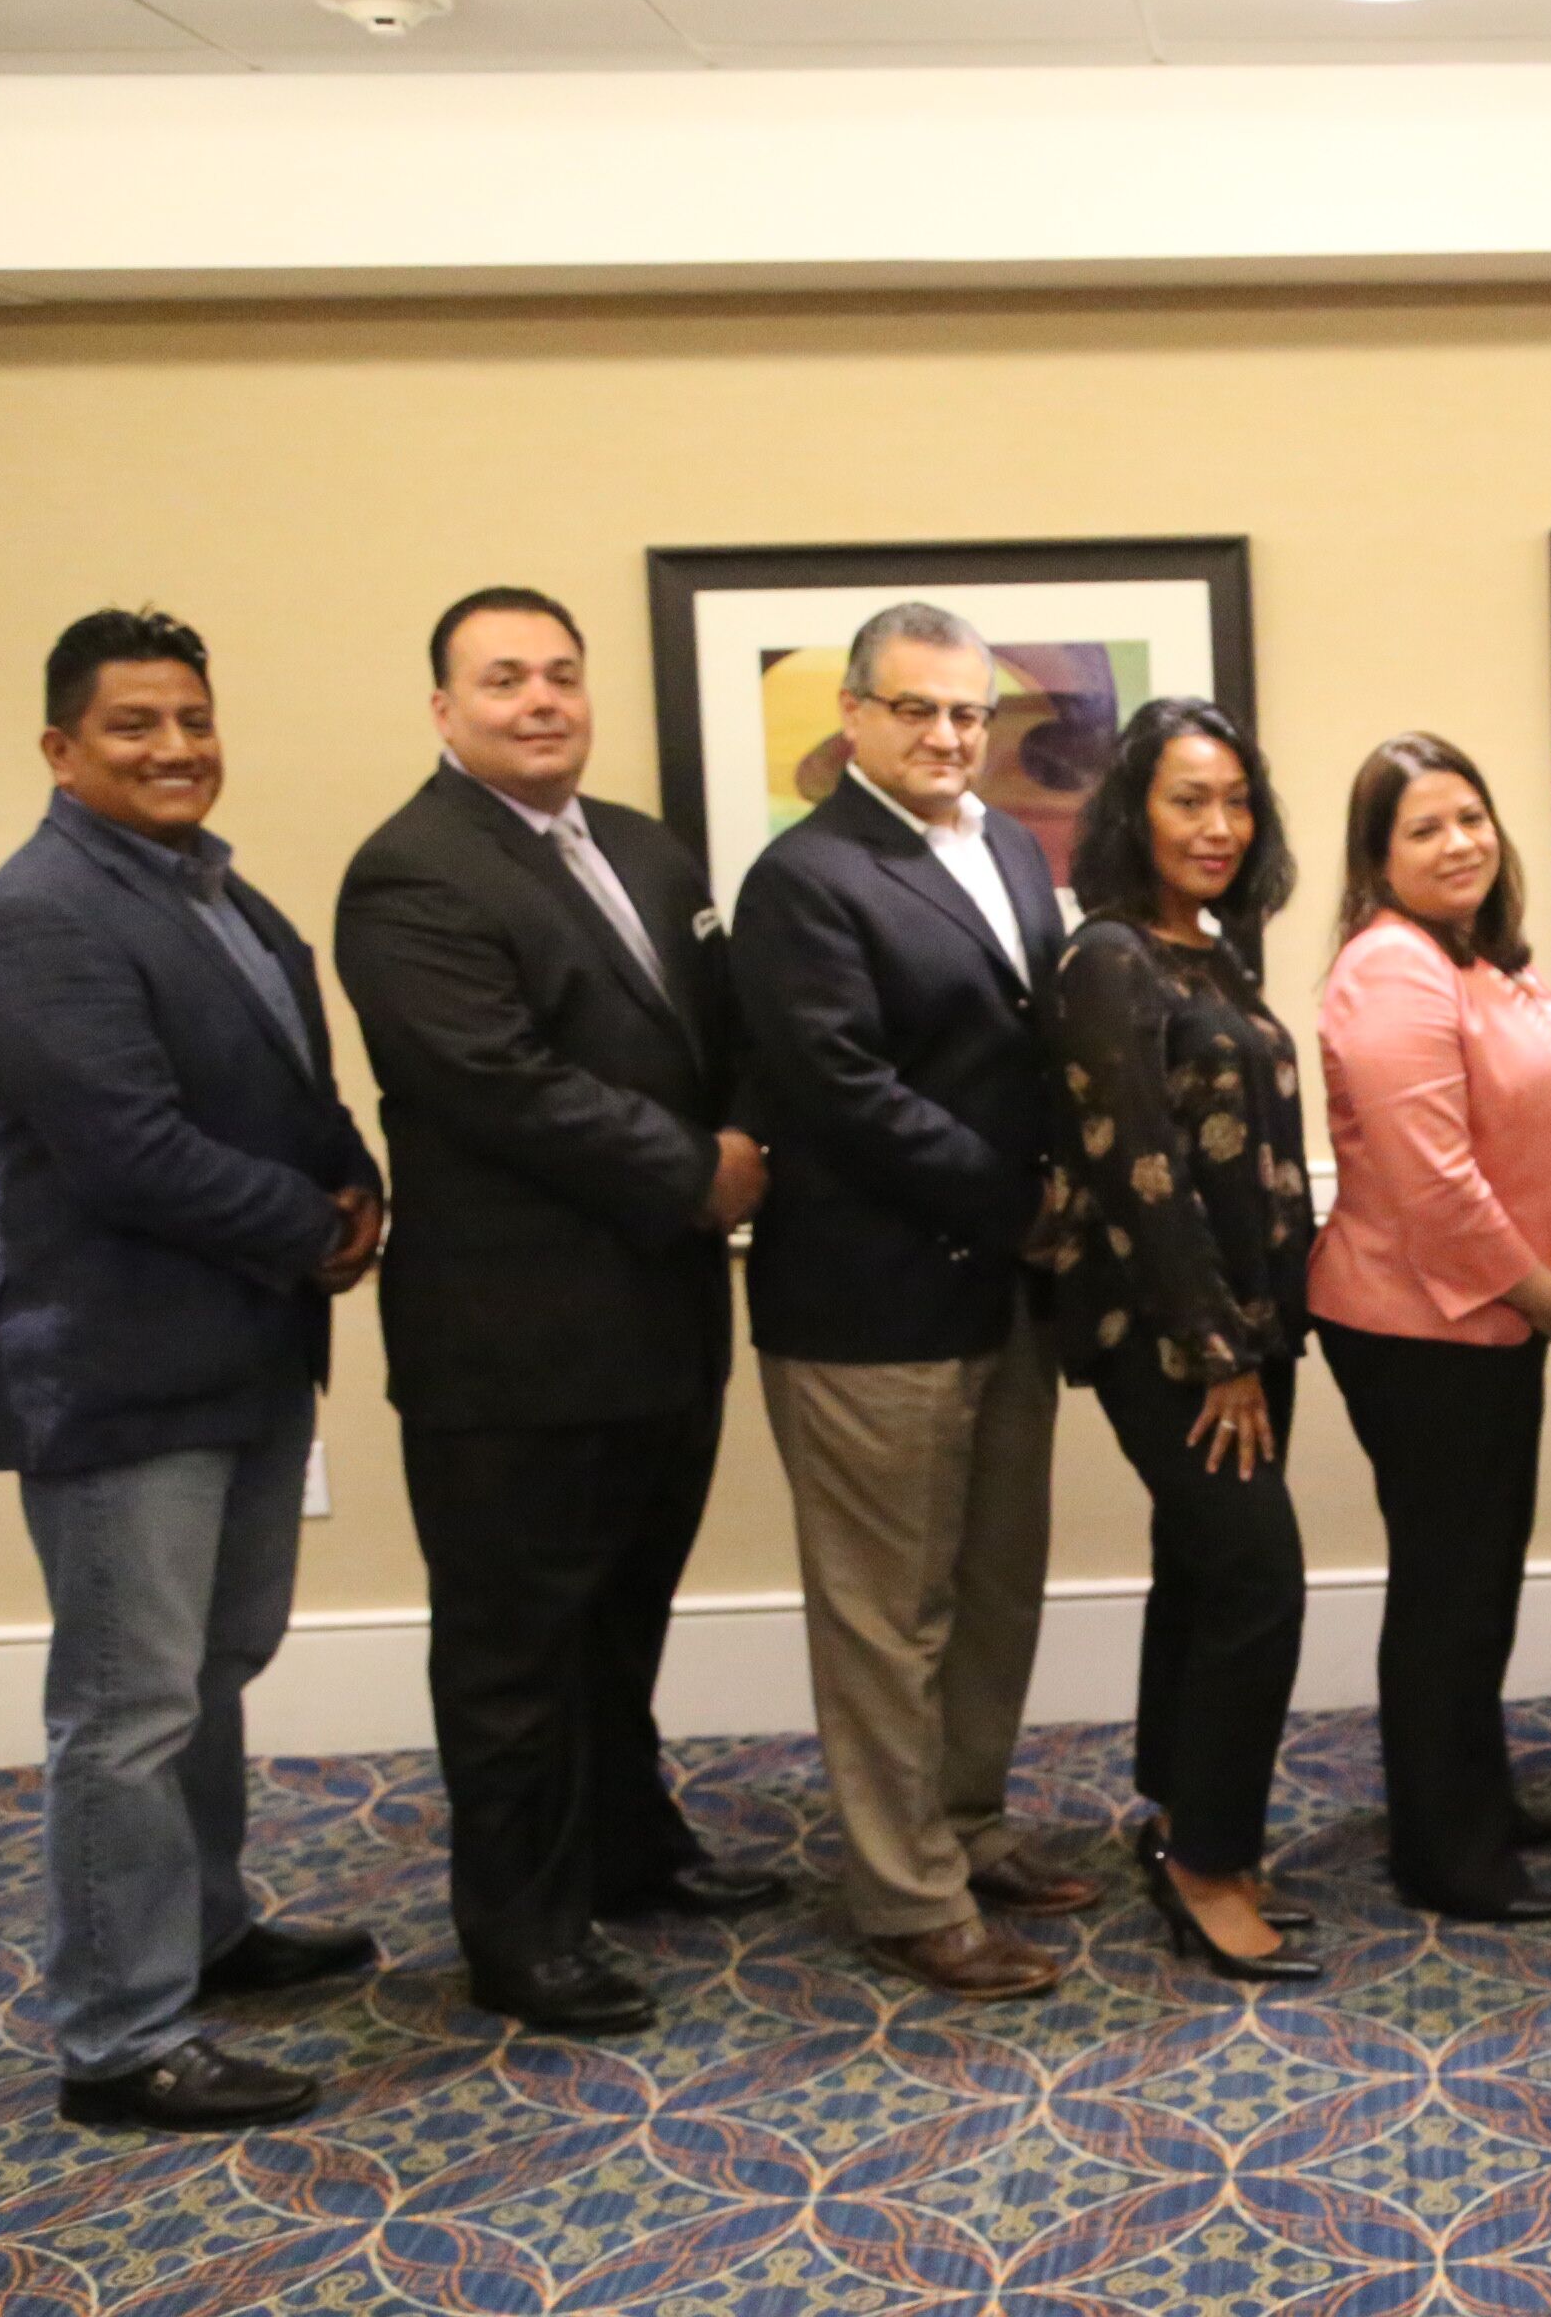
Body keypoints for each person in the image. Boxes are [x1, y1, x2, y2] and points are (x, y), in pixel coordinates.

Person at [334, 586, 789, 2038]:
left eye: (562, 676)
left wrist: (754, 1135)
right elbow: (500, 1083)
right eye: (504, 679)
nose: (541, 701)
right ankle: (520, 1936)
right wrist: (697, 1170)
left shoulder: (649, 851)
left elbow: (730, 1031)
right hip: (512, 1342)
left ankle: (628, 1851)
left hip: (659, 1325)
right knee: (515, 1649)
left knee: (622, 1617)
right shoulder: (410, 875)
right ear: (444, 708)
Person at [0, 607, 384, 2130]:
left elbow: (292, 1089)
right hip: (121, 1369)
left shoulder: (222, 892)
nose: (175, 747)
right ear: (63, 750)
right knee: (125, 1711)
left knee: (212, 1672)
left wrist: (357, 1185)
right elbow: (124, 1150)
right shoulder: (39, 915)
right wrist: (310, 1228)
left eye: (192, 718)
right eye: (135, 725)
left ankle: (204, 1931)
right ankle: (118, 2037)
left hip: (245, 1348)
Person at [730, 601, 1088, 2003]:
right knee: (889, 1614)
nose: (949, 735)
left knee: (995, 1581)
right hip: (869, 1304)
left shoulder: (1005, 844)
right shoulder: (804, 880)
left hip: (1005, 1292)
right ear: (856, 719)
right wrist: (1026, 1199)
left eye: (969, 713)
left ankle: (968, 1824)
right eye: (919, 709)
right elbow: (846, 1095)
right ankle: (904, 1892)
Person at [1040, 697, 1322, 1984]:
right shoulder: (1109, 955)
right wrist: (1215, 1350)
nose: (1217, 825)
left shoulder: (1208, 948)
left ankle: (1177, 1818)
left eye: (1235, 800)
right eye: (1186, 799)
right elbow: (1135, 1165)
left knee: (1204, 1575)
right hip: (1169, 1336)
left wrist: (1264, 1334)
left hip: (1251, 1327)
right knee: (1258, 1577)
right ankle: (1211, 1863)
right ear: (1132, 814)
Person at [1308, 734, 1551, 1924]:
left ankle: (1464, 1784)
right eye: (1423, 828)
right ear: (1378, 860)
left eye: (1470, 816)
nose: (1459, 842)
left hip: (1485, 1319)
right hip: (1418, 1323)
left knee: (1479, 1573)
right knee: (1448, 1584)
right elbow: (1431, 1178)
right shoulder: (1391, 969)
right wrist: (1535, 1285)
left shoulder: (1478, 960)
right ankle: (1448, 1849)